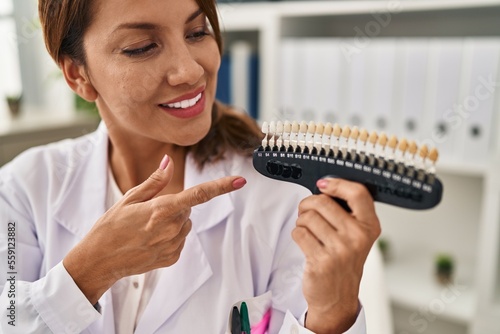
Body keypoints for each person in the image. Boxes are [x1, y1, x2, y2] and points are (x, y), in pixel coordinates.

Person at [0, 0, 383, 333]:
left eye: (197, 32)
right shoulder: (23, 190)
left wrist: (333, 315)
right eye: (142, 47)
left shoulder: (282, 198)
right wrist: (86, 273)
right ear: (78, 75)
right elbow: (9, 314)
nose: (190, 71)